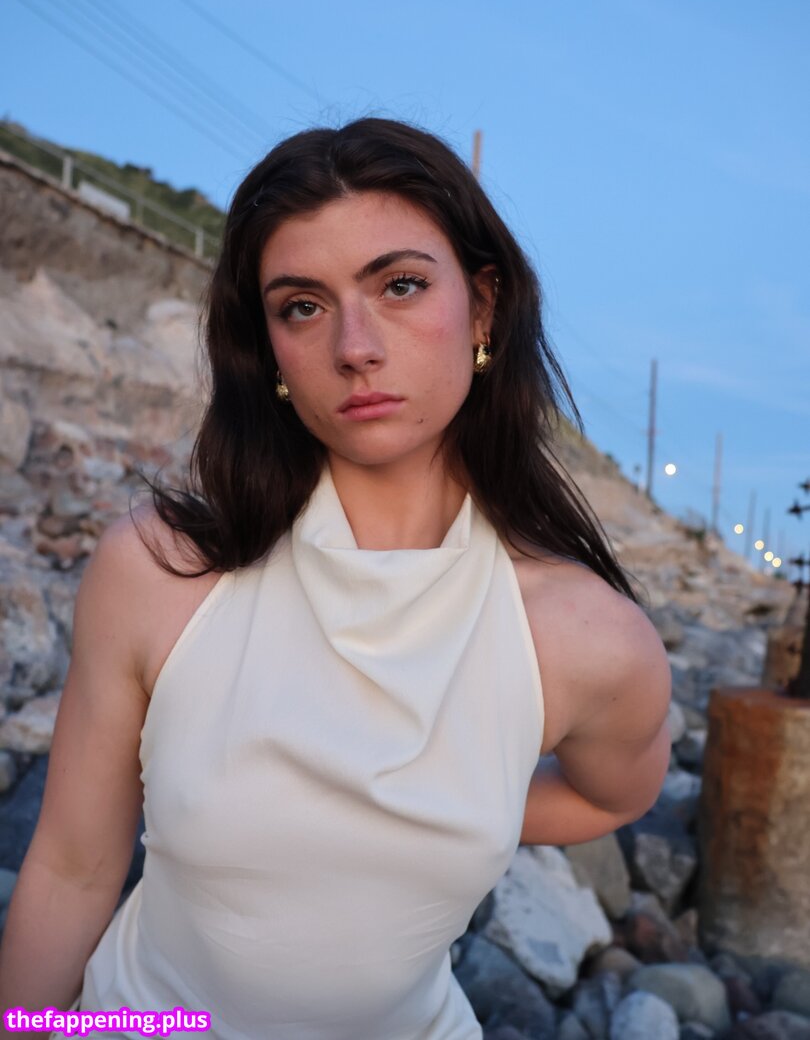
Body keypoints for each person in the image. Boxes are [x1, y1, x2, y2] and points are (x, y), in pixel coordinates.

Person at [0, 117, 671, 1039]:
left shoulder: (585, 638)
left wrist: (445, 810)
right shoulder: (162, 572)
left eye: (400, 286)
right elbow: (71, 871)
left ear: (483, 309)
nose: (355, 345)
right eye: (303, 306)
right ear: (269, 349)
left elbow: (613, 795)